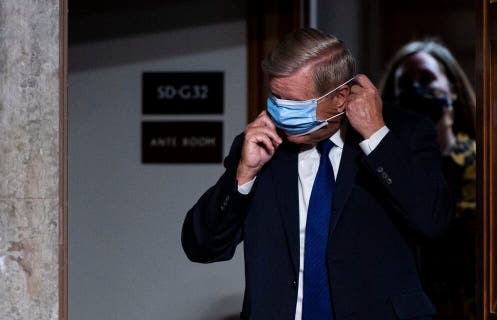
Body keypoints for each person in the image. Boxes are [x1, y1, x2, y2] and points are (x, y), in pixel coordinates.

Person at [182, 28, 452, 320]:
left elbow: (433, 222)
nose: (281, 111)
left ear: (339, 98)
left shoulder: (404, 134)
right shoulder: (259, 144)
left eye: (295, 103)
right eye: (275, 98)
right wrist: (244, 174)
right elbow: (202, 247)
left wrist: (376, 138)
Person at [378, 39, 477, 319]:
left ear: (453, 89)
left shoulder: (484, 164)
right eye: (405, 84)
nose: (416, 90)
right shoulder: (387, 167)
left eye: (426, 78)